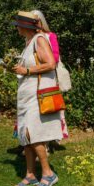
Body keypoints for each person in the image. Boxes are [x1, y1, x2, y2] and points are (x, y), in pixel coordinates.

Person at [12, 11, 62, 186]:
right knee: (25, 134)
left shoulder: (40, 39)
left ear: (25, 26)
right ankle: (31, 174)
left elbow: (50, 64)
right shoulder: (29, 42)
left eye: (18, 25)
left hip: (36, 93)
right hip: (27, 94)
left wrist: (26, 71)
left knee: (34, 134)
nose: (16, 28)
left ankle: (48, 173)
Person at [32, 10, 69, 139]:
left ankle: (51, 137)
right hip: (33, 77)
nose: (35, 24)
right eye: (33, 21)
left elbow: (55, 56)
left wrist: (39, 62)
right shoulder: (30, 37)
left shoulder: (50, 36)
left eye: (37, 20)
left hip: (49, 76)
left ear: (42, 22)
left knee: (49, 105)